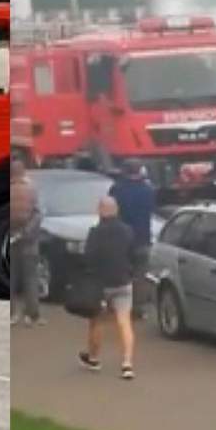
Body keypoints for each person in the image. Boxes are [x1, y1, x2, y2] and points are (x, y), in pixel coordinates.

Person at [77, 196, 137, 380]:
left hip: (100, 285)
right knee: (124, 321)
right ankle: (127, 363)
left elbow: (88, 258)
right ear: (116, 210)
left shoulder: (95, 232)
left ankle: (94, 359)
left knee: (96, 321)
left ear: (100, 211)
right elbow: (133, 254)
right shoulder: (128, 231)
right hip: (123, 281)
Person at [108, 160, 155, 319]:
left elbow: (111, 212)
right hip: (142, 238)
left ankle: (118, 307)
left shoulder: (117, 190)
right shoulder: (147, 190)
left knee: (120, 274)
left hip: (120, 239)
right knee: (140, 275)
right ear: (139, 171)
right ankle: (138, 309)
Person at [10, 158, 43, 326]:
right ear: (23, 171)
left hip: (11, 238)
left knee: (13, 278)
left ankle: (12, 314)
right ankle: (32, 315)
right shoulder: (30, 189)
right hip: (29, 240)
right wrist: (27, 232)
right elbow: (37, 214)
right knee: (30, 278)